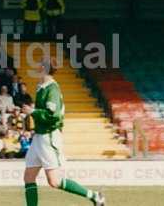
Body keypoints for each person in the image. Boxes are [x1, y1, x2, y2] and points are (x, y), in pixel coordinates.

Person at [23, 59, 105, 206]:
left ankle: (94, 195)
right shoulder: (41, 87)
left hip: (48, 137)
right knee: (29, 177)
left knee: (54, 181)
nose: (36, 67)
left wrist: (33, 111)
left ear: (43, 68)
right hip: (39, 137)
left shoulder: (52, 89)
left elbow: (54, 116)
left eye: (39, 64)